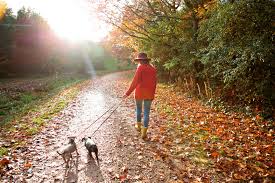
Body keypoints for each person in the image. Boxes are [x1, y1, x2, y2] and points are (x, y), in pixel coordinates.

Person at [123, 52, 157, 139]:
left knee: (138, 109)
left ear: (140, 61)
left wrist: (127, 93)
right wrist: (152, 93)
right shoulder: (153, 69)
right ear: (146, 60)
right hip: (149, 93)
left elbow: (135, 82)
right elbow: (154, 83)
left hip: (139, 92)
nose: (139, 62)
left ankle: (138, 126)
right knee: (146, 113)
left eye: (139, 61)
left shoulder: (140, 68)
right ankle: (144, 133)